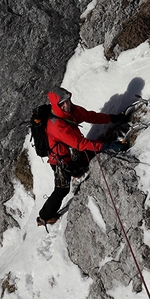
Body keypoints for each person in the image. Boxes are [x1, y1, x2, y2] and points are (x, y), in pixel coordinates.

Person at [37, 86, 129, 228]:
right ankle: (44, 217)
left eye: (67, 101)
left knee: (84, 161)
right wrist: (108, 145)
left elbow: (90, 116)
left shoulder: (72, 111)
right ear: (56, 105)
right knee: (62, 190)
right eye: (62, 104)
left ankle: (76, 171)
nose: (66, 105)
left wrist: (114, 118)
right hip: (59, 160)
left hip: (66, 154)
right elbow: (80, 144)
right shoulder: (56, 125)